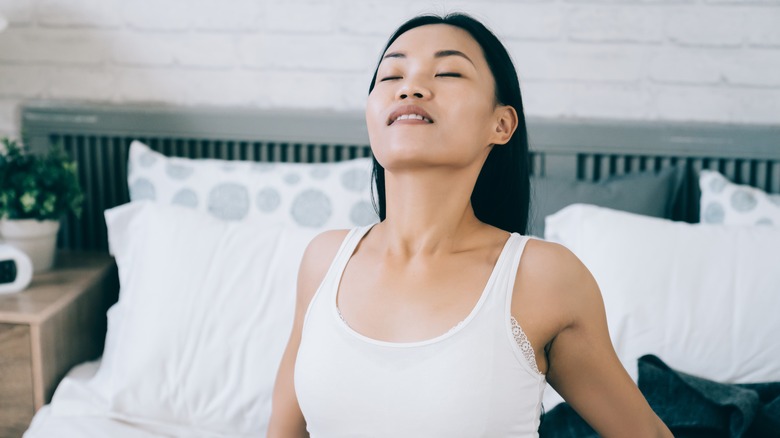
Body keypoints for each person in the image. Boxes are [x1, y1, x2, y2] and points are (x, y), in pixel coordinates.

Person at [268, 13, 672, 437]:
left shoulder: (542, 277)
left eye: (447, 71)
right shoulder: (324, 260)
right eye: (391, 75)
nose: (411, 87)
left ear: (501, 125)